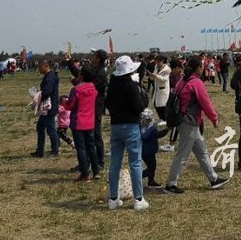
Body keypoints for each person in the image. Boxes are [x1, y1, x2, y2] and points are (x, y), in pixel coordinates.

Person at [164, 56, 229, 194]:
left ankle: (213, 179)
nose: (203, 68)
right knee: (182, 155)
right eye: (201, 66)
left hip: (183, 120)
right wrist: (214, 118)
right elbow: (205, 102)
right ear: (198, 68)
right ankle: (171, 184)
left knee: (202, 151)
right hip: (190, 121)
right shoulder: (196, 82)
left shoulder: (183, 80)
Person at [106, 55, 148, 210]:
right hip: (130, 126)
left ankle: (113, 198)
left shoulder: (112, 85)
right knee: (135, 162)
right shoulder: (131, 85)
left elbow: (108, 104)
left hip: (115, 126)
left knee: (115, 162)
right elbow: (139, 107)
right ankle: (138, 199)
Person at [70, 49, 108, 170]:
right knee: (85, 136)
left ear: (98, 58)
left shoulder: (101, 73)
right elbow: (82, 75)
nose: (92, 57)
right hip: (87, 107)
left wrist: (75, 81)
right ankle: (84, 162)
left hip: (95, 107)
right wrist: (70, 63)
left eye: (94, 55)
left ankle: (99, 162)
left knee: (96, 135)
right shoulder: (92, 69)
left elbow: (88, 85)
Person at [63, 65, 99, 182]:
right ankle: (96, 171)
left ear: (81, 76)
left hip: (78, 122)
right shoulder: (93, 88)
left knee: (81, 149)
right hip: (90, 121)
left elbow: (69, 106)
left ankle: (84, 174)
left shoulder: (76, 90)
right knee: (91, 147)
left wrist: (62, 101)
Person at [31, 59, 60, 158]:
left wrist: (37, 95)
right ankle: (40, 151)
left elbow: (47, 92)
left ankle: (55, 150)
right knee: (40, 128)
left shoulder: (49, 78)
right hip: (47, 108)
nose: (38, 69)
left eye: (40, 67)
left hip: (49, 108)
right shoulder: (50, 76)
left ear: (45, 66)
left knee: (51, 129)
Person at [140, 109, 169, 188]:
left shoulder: (140, 127)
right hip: (149, 152)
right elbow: (158, 135)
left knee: (151, 167)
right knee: (152, 168)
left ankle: (151, 181)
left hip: (144, 151)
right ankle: (138, 177)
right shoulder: (151, 129)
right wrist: (166, 130)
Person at [148, 55, 171, 121]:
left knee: (162, 106)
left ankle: (165, 120)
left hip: (163, 90)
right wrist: (151, 76)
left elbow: (164, 79)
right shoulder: (156, 67)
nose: (157, 64)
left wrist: (156, 76)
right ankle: (161, 119)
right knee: (156, 105)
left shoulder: (167, 69)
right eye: (156, 62)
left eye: (158, 62)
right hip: (156, 90)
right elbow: (154, 77)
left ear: (162, 61)